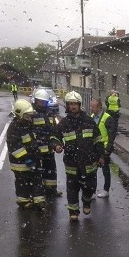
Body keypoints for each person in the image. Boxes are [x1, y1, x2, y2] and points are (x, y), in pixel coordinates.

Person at [51, 91, 104, 222]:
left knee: (89, 187)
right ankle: (73, 211)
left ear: (79, 105)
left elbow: (98, 139)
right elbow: (54, 137)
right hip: (72, 163)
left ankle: (86, 202)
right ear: (67, 106)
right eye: (70, 104)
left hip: (89, 162)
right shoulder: (64, 123)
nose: (73, 106)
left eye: (75, 104)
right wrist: (57, 145)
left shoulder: (88, 121)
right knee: (72, 188)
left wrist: (101, 156)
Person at [6, 99, 46, 210]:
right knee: (22, 182)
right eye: (27, 116)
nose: (29, 118)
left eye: (29, 116)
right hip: (20, 163)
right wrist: (26, 158)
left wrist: (36, 154)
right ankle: (23, 201)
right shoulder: (14, 128)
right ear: (19, 114)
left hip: (33, 159)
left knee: (37, 179)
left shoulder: (28, 124)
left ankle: (39, 201)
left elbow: (33, 140)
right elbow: (14, 146)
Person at [31, 88, 61, 197]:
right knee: (37, 172)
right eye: (40, 101)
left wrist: (56, 144)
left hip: (48, 148)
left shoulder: (50, 113)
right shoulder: (32, 113)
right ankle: (38, 193)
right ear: (36, 101)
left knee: (51, 170)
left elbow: (54, 130)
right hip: (37, 149)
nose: (42, 104)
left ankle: (51, 191)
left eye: (44, 102)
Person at [89, 98, 117, 198]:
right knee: (93, 171)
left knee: (105, 170)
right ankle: (92, 191)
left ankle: (106, 190)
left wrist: (108, 149)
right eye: (90, 106)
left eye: (93, 107)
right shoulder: (92, 117)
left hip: (104, 149)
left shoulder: (107, 118)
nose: (91, 108)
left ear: (99, 107)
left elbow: (111, 135)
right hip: (94, 149)